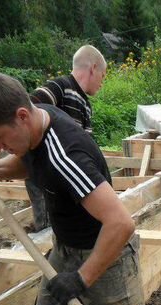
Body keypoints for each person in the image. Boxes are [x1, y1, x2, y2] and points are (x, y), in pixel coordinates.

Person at [0, 72, 147, 305]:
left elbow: (121, 224)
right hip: (64, 248)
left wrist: (80, 279)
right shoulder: (37, 120)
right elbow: (32, 164)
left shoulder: (67, 156)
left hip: (105, 252)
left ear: (22, 116)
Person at [27, 45, 107, 230]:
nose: (102, 83)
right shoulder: (61, 86)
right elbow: (30, 110)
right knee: (48, 228)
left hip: (69, 178)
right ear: (93, 68)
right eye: (102, 76)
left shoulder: (85, 104)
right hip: (48, 176)